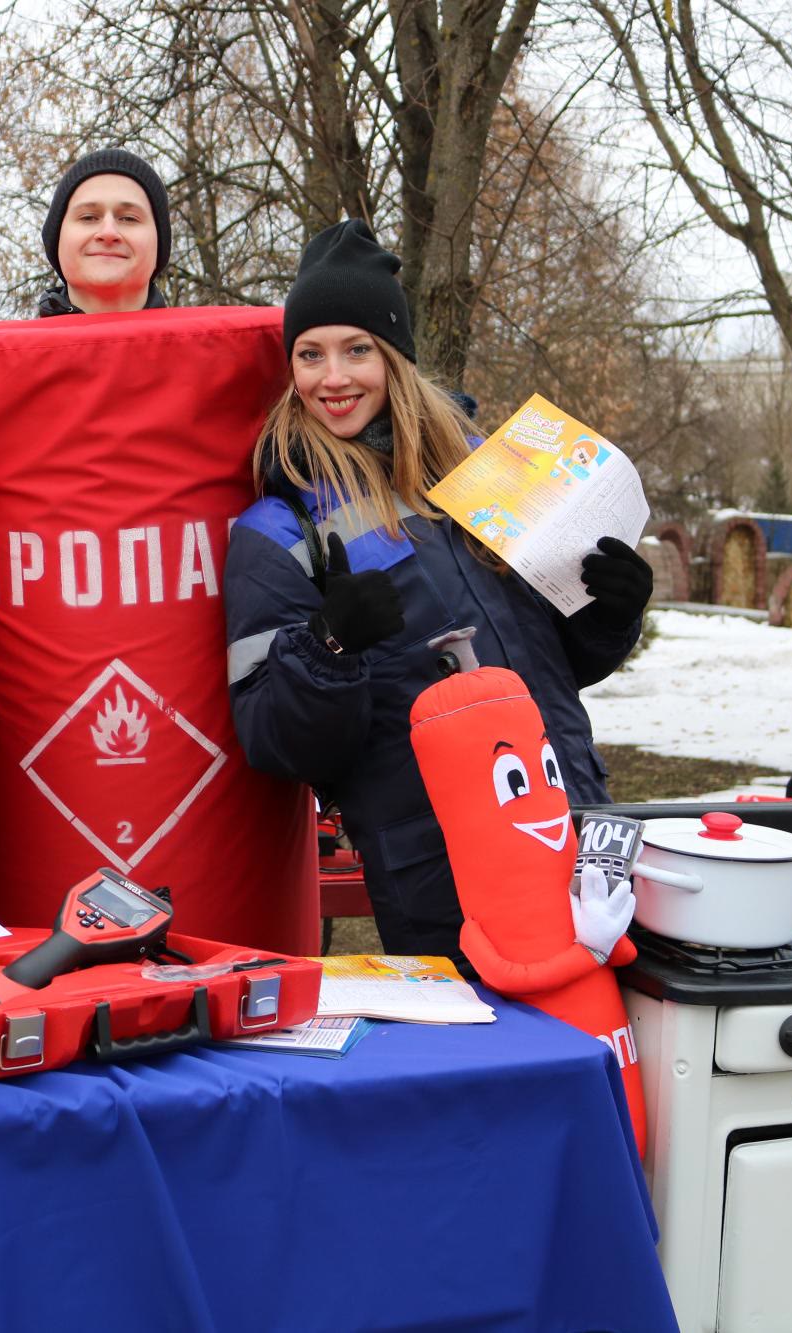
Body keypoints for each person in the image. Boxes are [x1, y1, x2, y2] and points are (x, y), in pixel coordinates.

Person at [223, 220, 652, 963]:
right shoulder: (280, 524)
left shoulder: (492, 477)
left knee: (607, 1049)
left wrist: (611, 611)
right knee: (492, 1070)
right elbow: (269, 734)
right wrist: (328, 647)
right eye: (310, 354)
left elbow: (555, 659)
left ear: (395, 356)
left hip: (573, 822)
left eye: (358, 349)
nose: (334, 378)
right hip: (440, 867)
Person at [36, 147, 172, 317]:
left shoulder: (208, 341)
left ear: (159, 242)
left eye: (129, 218)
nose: (108, 233)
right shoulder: (7, 343)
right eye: (88, 217)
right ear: (56, 238)